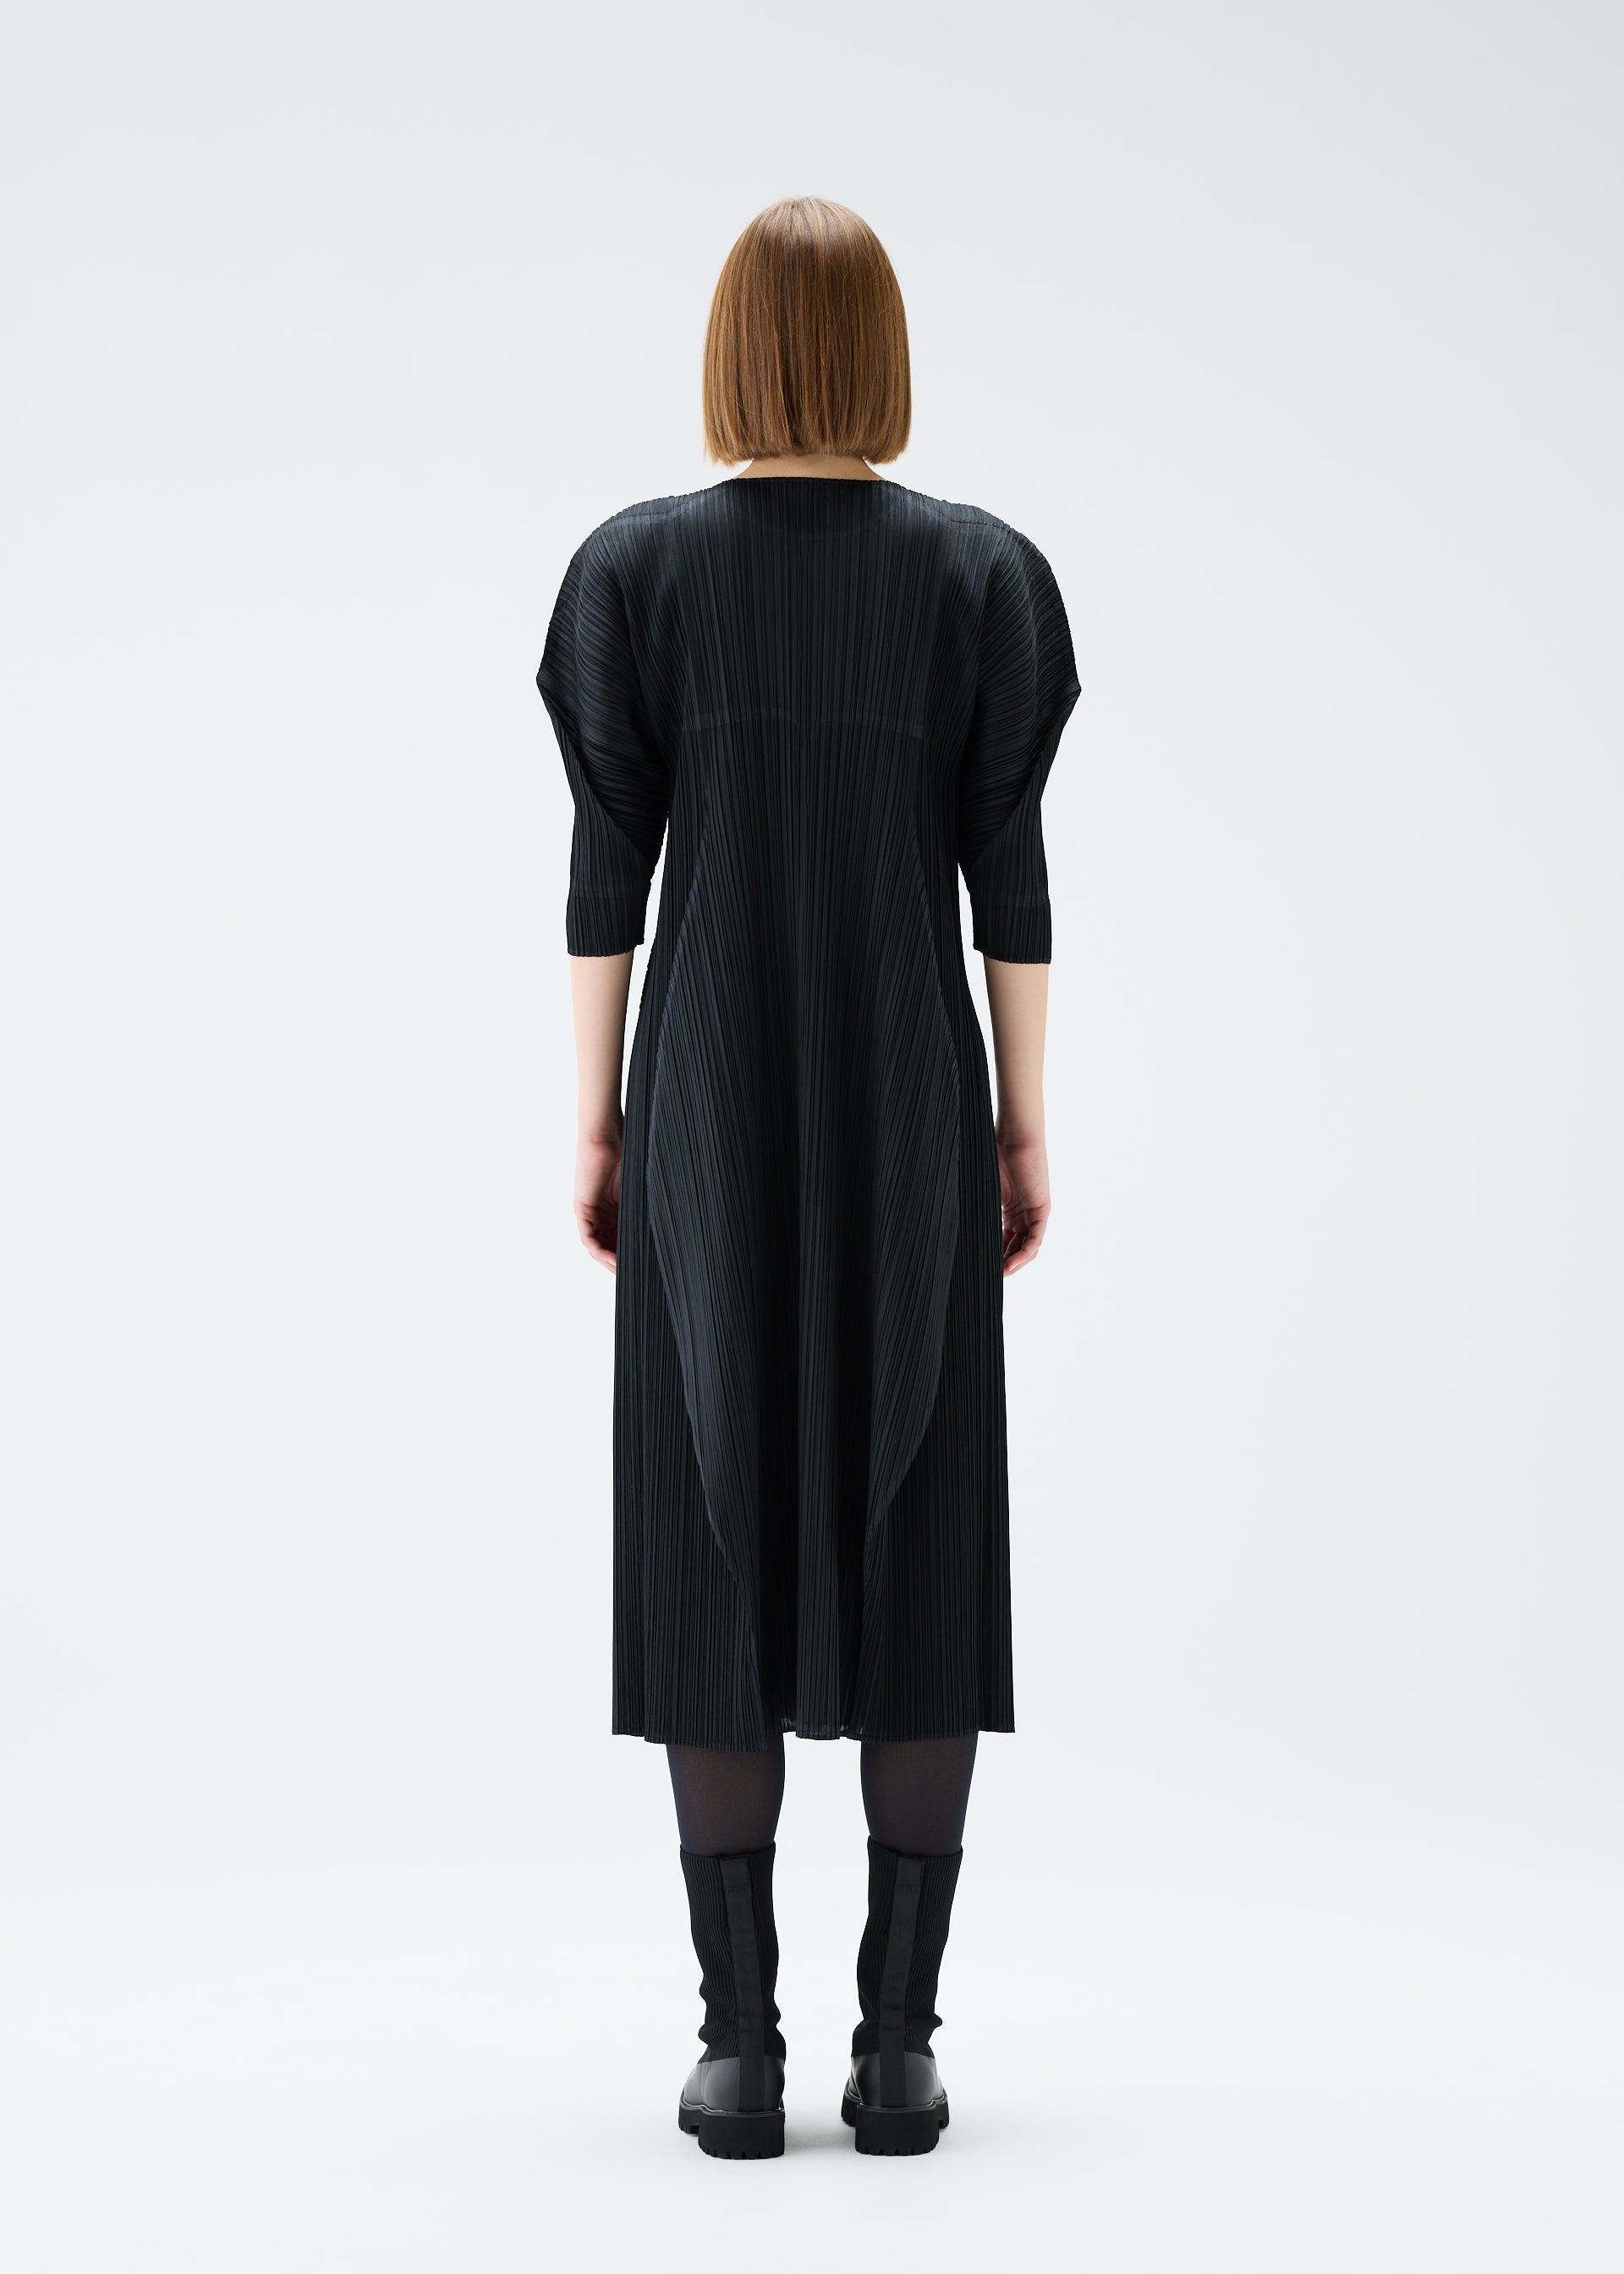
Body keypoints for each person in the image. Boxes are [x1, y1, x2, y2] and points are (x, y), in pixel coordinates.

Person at [536, 195, 1080, 2159]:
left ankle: (739, 2051)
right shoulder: (983, 575)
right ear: (882, 356)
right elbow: (1010, 881)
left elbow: (609, 874)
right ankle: (902, 2050)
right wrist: (1024, 1117)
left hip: (705, 1087)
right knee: (919, 1502)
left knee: (709, 1514)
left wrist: (597, 1115)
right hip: (910, 1085)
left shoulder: (634, 571)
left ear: (729, 354)